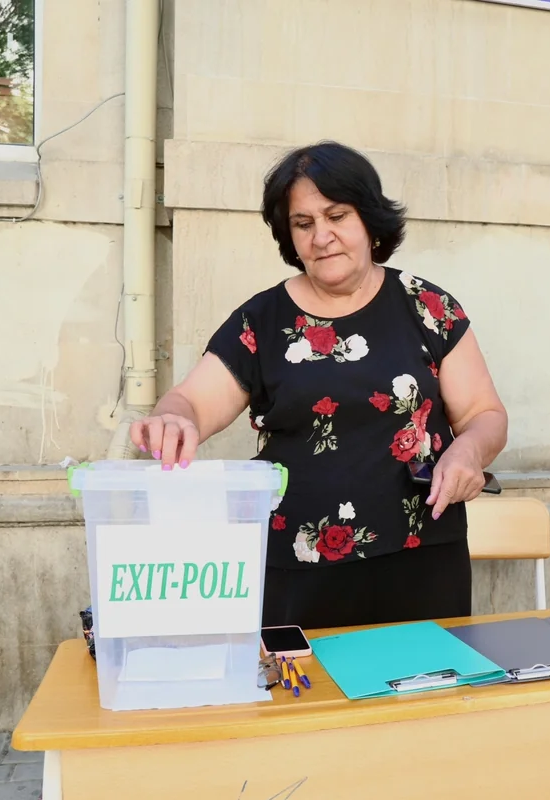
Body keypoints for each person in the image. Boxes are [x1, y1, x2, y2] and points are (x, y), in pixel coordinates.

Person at [130, 141, 508, 630]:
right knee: (303, 701)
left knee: (422, 698)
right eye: (303, 223)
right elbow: (192, 402)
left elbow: (485, 415)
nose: (321, 236)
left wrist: (469, 453)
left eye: (337, 216)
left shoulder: (428, 308)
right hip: (296, 567)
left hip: (422, 559)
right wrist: (173, 416)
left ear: (369, 221)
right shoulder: (261, 321)